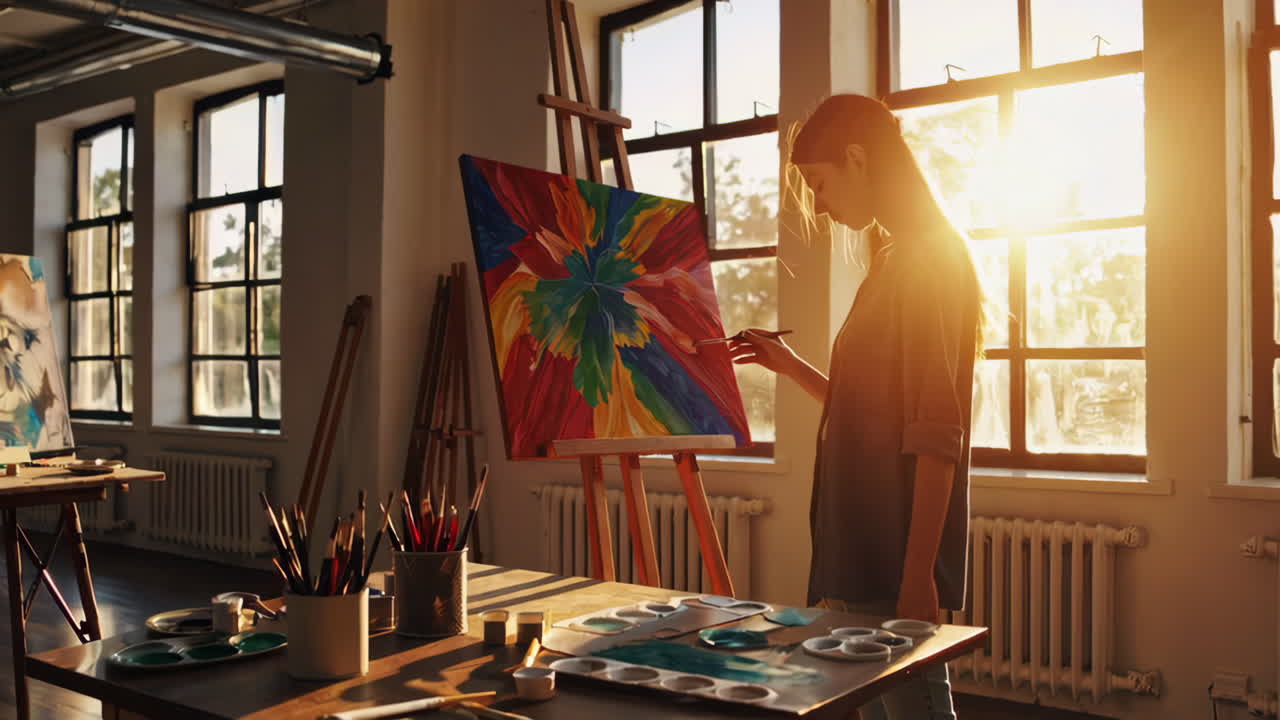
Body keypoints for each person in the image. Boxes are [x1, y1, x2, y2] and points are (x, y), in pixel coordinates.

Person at [729, 94, 983, 720]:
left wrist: (917, 573)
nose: (818, 203)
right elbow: (872, 407)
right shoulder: (895, 258)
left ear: (856, 157)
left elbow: (935, 431)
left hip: (890, 550)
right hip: (861, 542)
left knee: (915, 710)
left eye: (817, 183)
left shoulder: (930, 258)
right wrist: (790, 366)